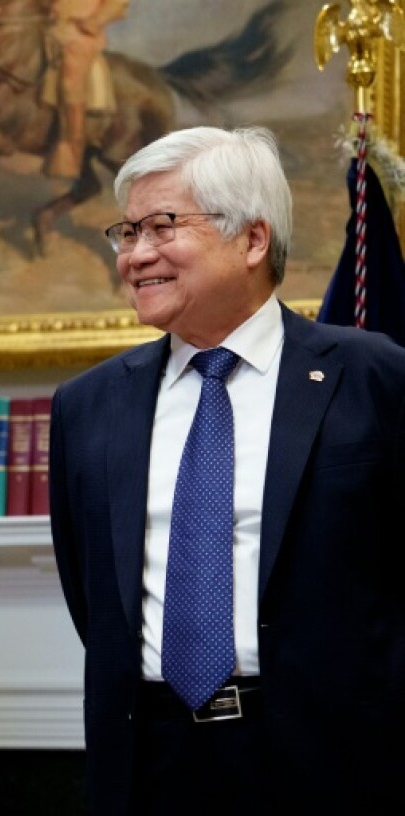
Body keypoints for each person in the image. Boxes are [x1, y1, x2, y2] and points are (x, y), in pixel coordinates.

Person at [48, 125, 405, 814]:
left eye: (162, 227)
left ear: (253, 240)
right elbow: (93, 601)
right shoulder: (88, 407)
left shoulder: (376, 378)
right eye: (126, 232)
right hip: (147, 767)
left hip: (337, 765)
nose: (136, 255)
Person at [43, 0, 129, 179]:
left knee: (70, 83)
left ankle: (70, 154)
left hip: (80, 34)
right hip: (51, 28)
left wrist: (94, 21)